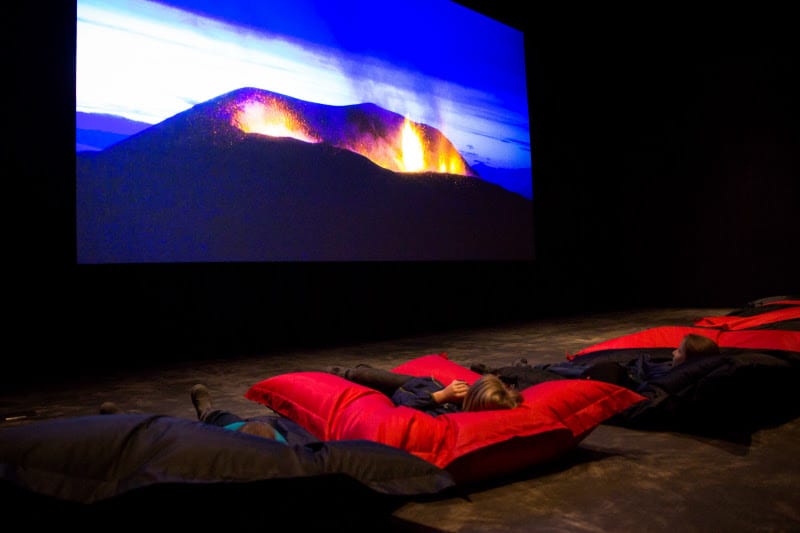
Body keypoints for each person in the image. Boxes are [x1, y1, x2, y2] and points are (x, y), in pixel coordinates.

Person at [99, 384, 287, 443]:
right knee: (225, 418)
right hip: (238, 432)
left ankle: (128, 425)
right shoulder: (291, 460)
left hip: (219, 441)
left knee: (161, 438)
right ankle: (208, 412)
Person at [325, 364, 522, 416]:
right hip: (414, 382)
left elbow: (405, 405)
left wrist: (440, 396)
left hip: (402, 393)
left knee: (360, 377)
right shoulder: (462, 393)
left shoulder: (450, 412)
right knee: (364, 373)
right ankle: (353, 370)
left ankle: (337, 373)